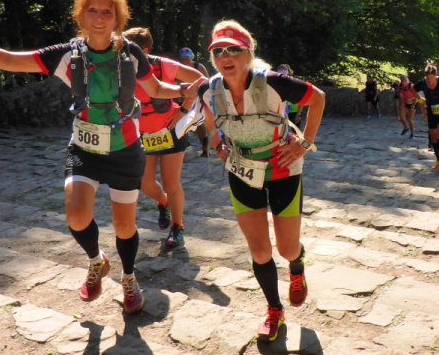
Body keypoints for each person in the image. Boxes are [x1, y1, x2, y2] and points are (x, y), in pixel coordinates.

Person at [0, 0, 204, 314]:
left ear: (117, 18)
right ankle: (97, 261)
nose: (99, 17)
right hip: (84, 148)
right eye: (92, 10)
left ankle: (129, 278)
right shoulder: (67, 55)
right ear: (80, 15)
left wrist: (183, 90)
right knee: (76, 215)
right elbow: (11, 60)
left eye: (107, 11)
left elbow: (155, 88)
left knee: (124, 226)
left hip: (125, 149)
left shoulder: (130, 52)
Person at [198, 20, 325, 342]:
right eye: (218, 51)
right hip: (242, 170)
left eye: (234, 49)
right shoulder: (209, 88)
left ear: (249, 53)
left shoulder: (273, 82)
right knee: (259, 251)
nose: (226, 57)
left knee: (287, 248)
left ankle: (297, 267)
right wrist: (217, 144)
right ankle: (274, 310)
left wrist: (304, 143)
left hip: (282, 168)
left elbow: (318, 98)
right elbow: (208, 112)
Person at [124, 28, 204, 248]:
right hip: (142, 134)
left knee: (171, 181)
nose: (123, 53)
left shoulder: (163, 64)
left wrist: (184, 109)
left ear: (144, 50)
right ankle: (163, 201)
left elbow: (202, 80)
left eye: (128, 49)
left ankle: (177, 226)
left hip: (171, 130)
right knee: (144, 183)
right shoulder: (120, 68)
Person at [179, 47, 210, 157]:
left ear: (191, 58)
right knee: (180, 120)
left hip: (198, 96)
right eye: (183, 59)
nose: (185, 61)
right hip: (183, 97)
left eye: (187, 59)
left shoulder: (198, 67)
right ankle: (183, 144)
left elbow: (207, 82)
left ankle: (205, 147)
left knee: (199, 122)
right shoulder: (178, 67)